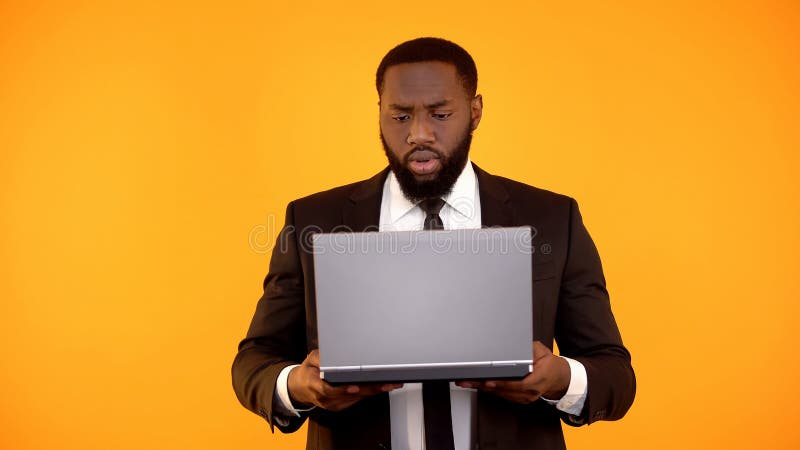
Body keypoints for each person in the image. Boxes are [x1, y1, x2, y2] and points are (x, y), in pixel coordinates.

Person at [232, 37, 635, 450]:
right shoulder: (312, 220)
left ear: (475, 112)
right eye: (400, 116)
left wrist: (562, 379)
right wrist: (296, 386)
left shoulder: (552, 217)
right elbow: (254, 362)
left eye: (440, 114)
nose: (418, 134)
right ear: (379, 114)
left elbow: (614, 375)